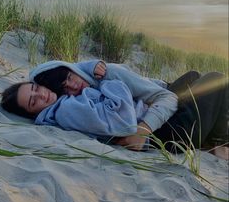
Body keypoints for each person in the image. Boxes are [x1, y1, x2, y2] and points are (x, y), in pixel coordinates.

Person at [28, 60, 228, 156]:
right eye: (65, 88)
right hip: (170, 135)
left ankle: (215, 138)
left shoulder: (107, 75)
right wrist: (144, 129)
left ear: (74, 69)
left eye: (71, 77)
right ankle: (218, 143)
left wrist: (90, 66)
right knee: (216, 80)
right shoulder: (76, 104)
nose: (73, 86)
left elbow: (165, 97)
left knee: (192, 77)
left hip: (156, 115)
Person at [1, 78, 147, 140]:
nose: (42, 95)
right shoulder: (65, 110)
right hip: (154, 125)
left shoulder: (62, 103)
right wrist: (107, 83)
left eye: (36, 88)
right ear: (31, 114)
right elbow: (126, 124)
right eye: (34, 101)